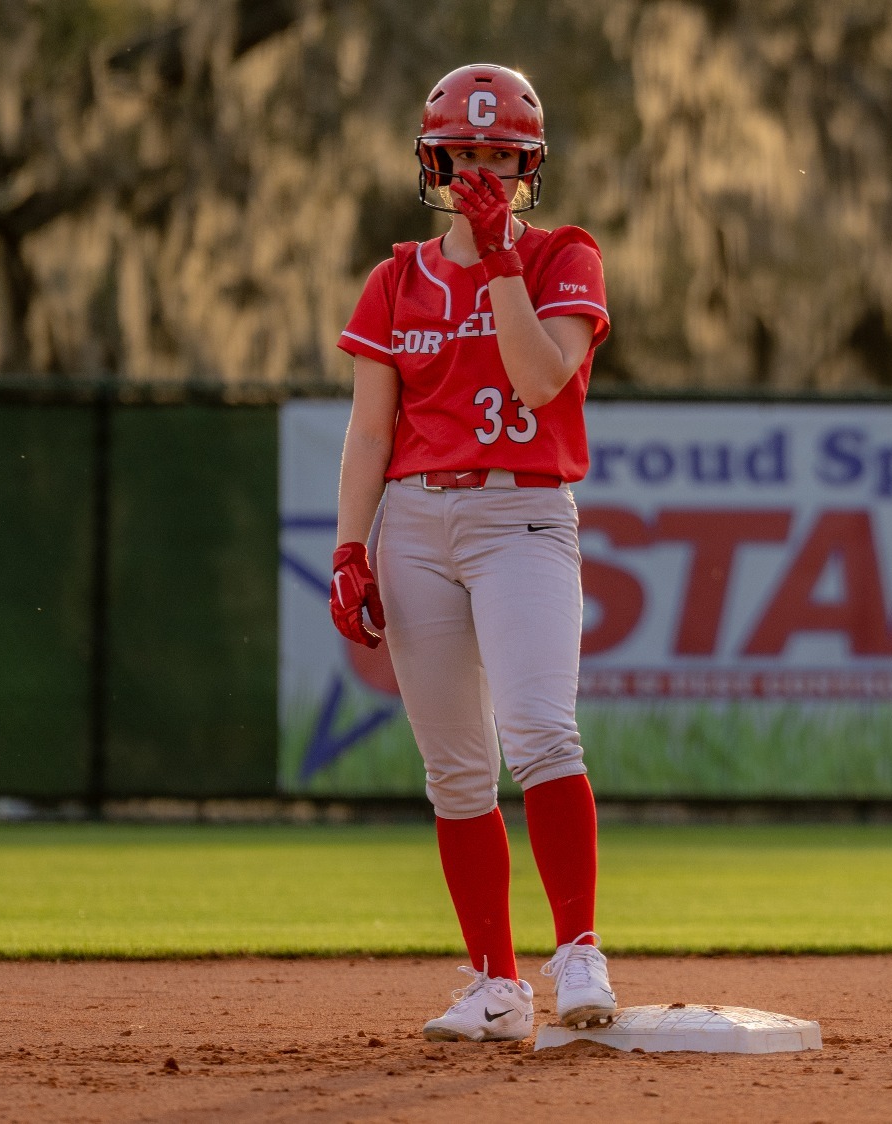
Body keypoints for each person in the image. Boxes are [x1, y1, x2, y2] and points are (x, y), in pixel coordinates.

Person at [326, 62, 615, 1043]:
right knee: (454, 769)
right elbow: (371, 432)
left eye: (500, 153)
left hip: (520, 512)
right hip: (414, 521)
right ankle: (496, 983)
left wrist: (498, 262)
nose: (481, 168)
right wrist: (349, 546)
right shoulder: (394, 278)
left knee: (540, 733)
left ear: (529, 165)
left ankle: (578, 950)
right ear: (434, 162)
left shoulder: (564, 255)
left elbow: (541, 383)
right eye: (464, 152)